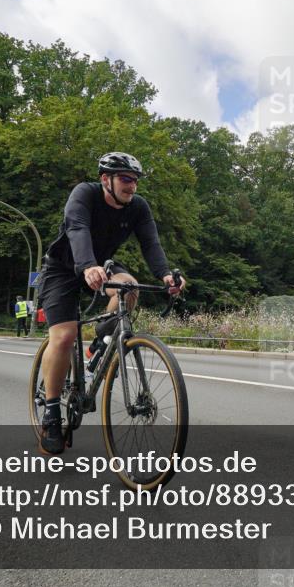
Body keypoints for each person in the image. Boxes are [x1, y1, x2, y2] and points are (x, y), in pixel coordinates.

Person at [36, 152, 186, 455]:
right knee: (64, 337)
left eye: (135, 181)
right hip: (65, 267)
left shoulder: (138, 208)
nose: (132, 186)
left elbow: (151, 244)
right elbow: (77, 229)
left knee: (129, 288)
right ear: (106, 179)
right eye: (126, 180)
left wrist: (167, 275)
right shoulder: (84, 194)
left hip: (101, 265)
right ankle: (52, 414)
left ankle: (96, 349)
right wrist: (86, 265)